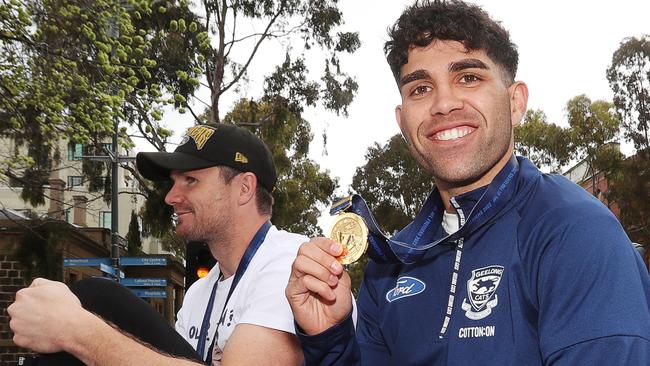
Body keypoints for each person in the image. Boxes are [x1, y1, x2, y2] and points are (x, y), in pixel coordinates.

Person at [285, 1, 650, 365]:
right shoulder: (392, 261)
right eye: (420, 88)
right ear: (402, 121)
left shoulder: (574, 231)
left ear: (515, 102)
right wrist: (330, 340)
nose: (443, 103)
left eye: (469, 77)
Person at [9, 124, 305, 365]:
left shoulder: (293, 263)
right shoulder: (200, 292)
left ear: (244, 188)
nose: (171, 197)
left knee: (97, 298)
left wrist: (75, 330)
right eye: (173, 182)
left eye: (190, 180)